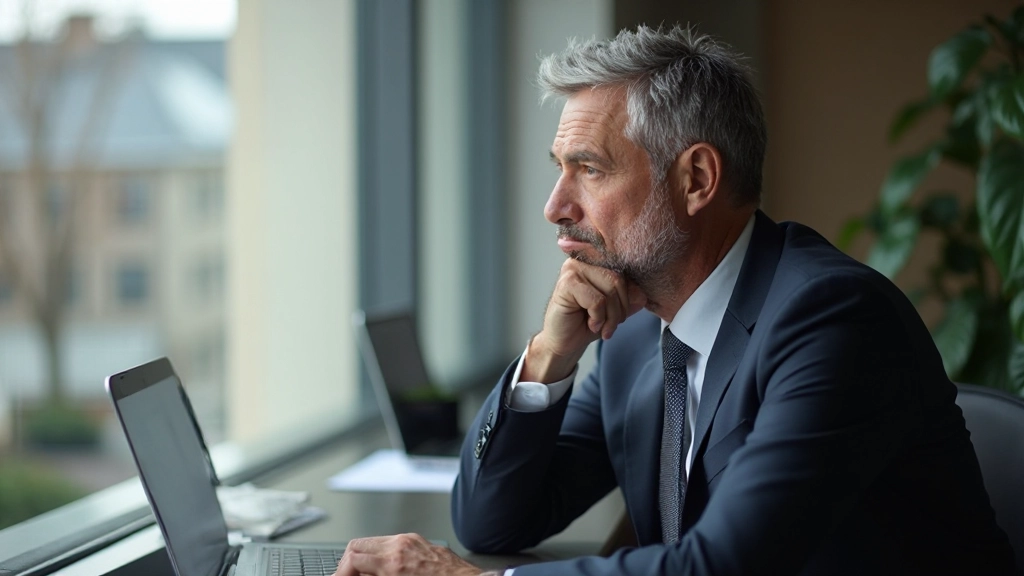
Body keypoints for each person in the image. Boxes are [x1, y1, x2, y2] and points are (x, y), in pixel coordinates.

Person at [334, 25, 1016, 576]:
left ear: (695, 178)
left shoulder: (832, 320)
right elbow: (493, 521)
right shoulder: (636, 340)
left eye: (589, 170)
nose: (554, 207)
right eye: (558, 171)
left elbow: (724, 564)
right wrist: (548, 355)